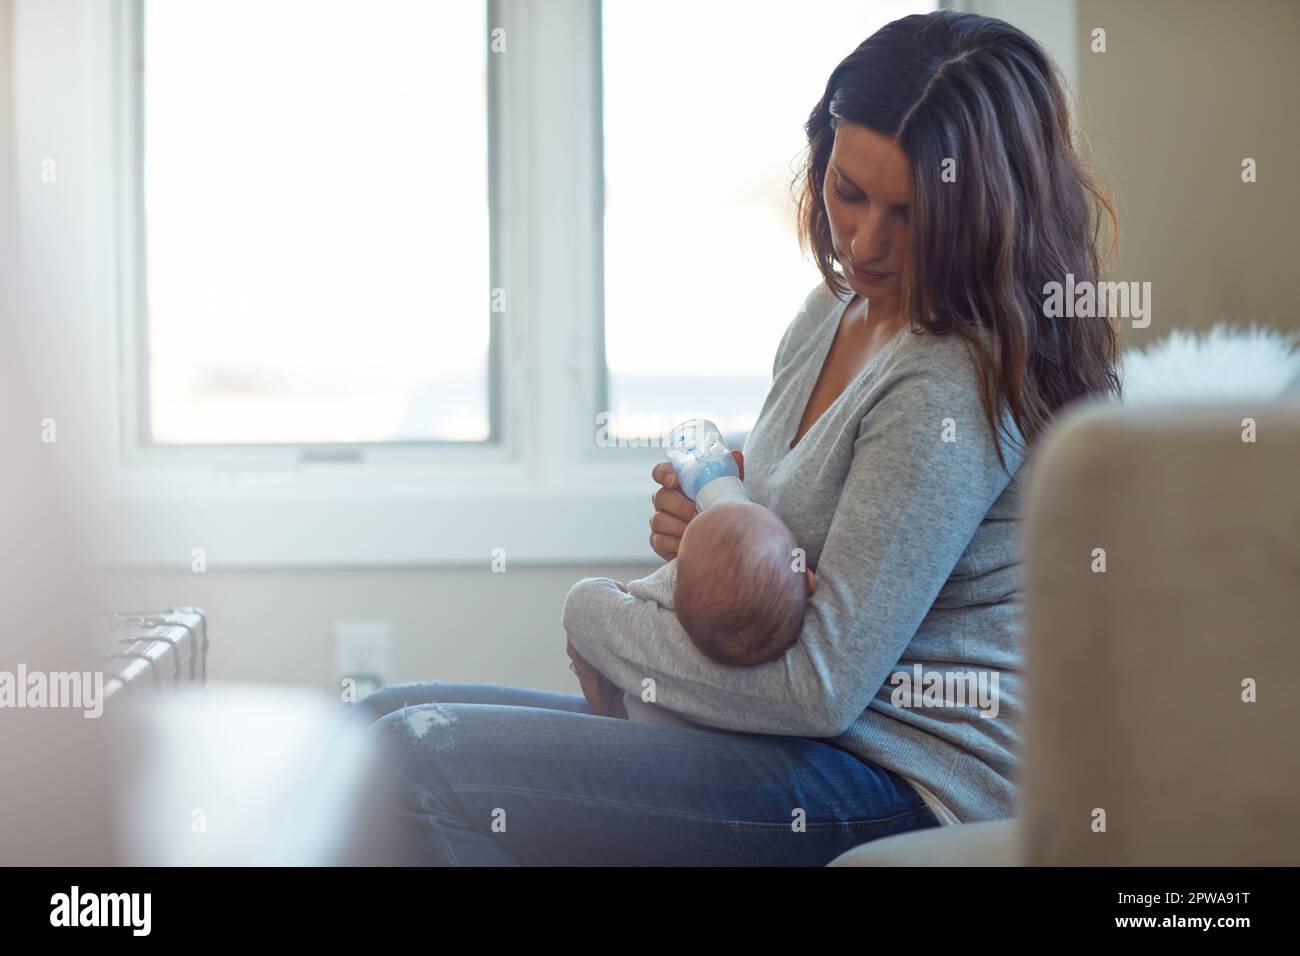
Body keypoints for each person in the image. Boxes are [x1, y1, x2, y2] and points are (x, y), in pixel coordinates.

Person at [359, 10, 1120, 866]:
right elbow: (775, 559)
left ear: (983, 208)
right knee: (361, 733)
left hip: (899, 776)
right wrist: (715, 540)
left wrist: (597, 618)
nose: (865, 242)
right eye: (848, 191)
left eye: (909, 213)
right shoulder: (829, 316)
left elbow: (819, 688)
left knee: (409, 755)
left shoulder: (948, 374)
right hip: (784, 742)